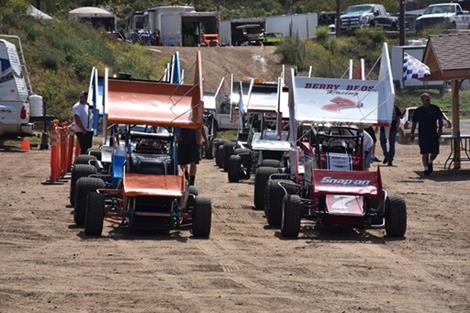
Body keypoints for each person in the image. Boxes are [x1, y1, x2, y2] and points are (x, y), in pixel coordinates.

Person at [411, 93, 444, 176]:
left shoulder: (435, 108)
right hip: (423, 134)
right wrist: (412, 133)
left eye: (429, 99)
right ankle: (426, 169)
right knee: (425, 153)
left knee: (435, 152)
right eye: (426, 99)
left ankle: (430, 161)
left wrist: (440, 129)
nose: (428, 101)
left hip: (433, 133)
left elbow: (440, 119)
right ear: (422, 100)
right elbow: (414, 123)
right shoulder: (418, 111)